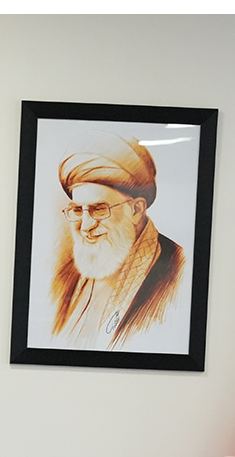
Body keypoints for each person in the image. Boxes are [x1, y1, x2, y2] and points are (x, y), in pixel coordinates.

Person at [50, 130, 184, 351]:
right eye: (78, 210)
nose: (86, 226)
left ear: (136, 210)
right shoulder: (68, 275)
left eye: (99, 209)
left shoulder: (181, 274)